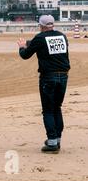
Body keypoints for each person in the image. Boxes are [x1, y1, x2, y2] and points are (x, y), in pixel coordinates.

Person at [17, 15, 70, 153]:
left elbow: (25, 55)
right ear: (53, 24)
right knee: (57, 108)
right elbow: (48, 46)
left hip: (48, 77)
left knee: (48, 110)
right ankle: (57, 140)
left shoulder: (40, 38)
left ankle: (52, 142)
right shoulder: (62, 36)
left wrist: (22, 47)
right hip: (63, 76)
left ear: (41, 26)